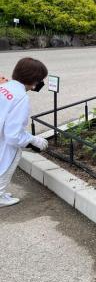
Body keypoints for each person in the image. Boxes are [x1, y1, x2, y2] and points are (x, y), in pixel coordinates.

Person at [0, 58, 50, 207]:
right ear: (34, 80)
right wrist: (34, 141)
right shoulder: (21, 98)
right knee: (11, 157)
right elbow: (14, 136)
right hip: (4, 139)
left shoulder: (5, 86)